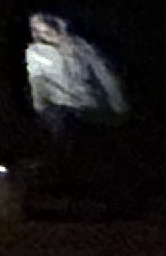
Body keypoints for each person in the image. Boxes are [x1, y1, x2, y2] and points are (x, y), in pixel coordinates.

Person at [24, 11, 130, 200]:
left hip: (89, 104)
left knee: (95, 147)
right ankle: (67, 186)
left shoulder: (81, 48)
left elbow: (105, 76)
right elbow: (37, 82)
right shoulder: (36, 52)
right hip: (60, 107)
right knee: (64, 137)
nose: (38, 32)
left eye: (42, 27)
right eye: (34, 28)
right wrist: (40, 109)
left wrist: (117, 104)